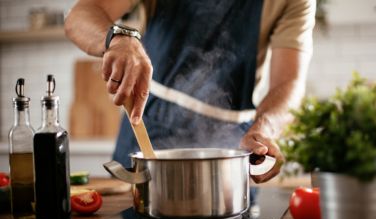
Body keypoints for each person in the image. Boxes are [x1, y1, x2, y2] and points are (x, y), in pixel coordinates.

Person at [65, 0, 315, 184]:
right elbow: (80, 16)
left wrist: (265, 129)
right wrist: (118, 38)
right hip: (148, 135)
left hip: (232, 148)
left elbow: (289, 83)